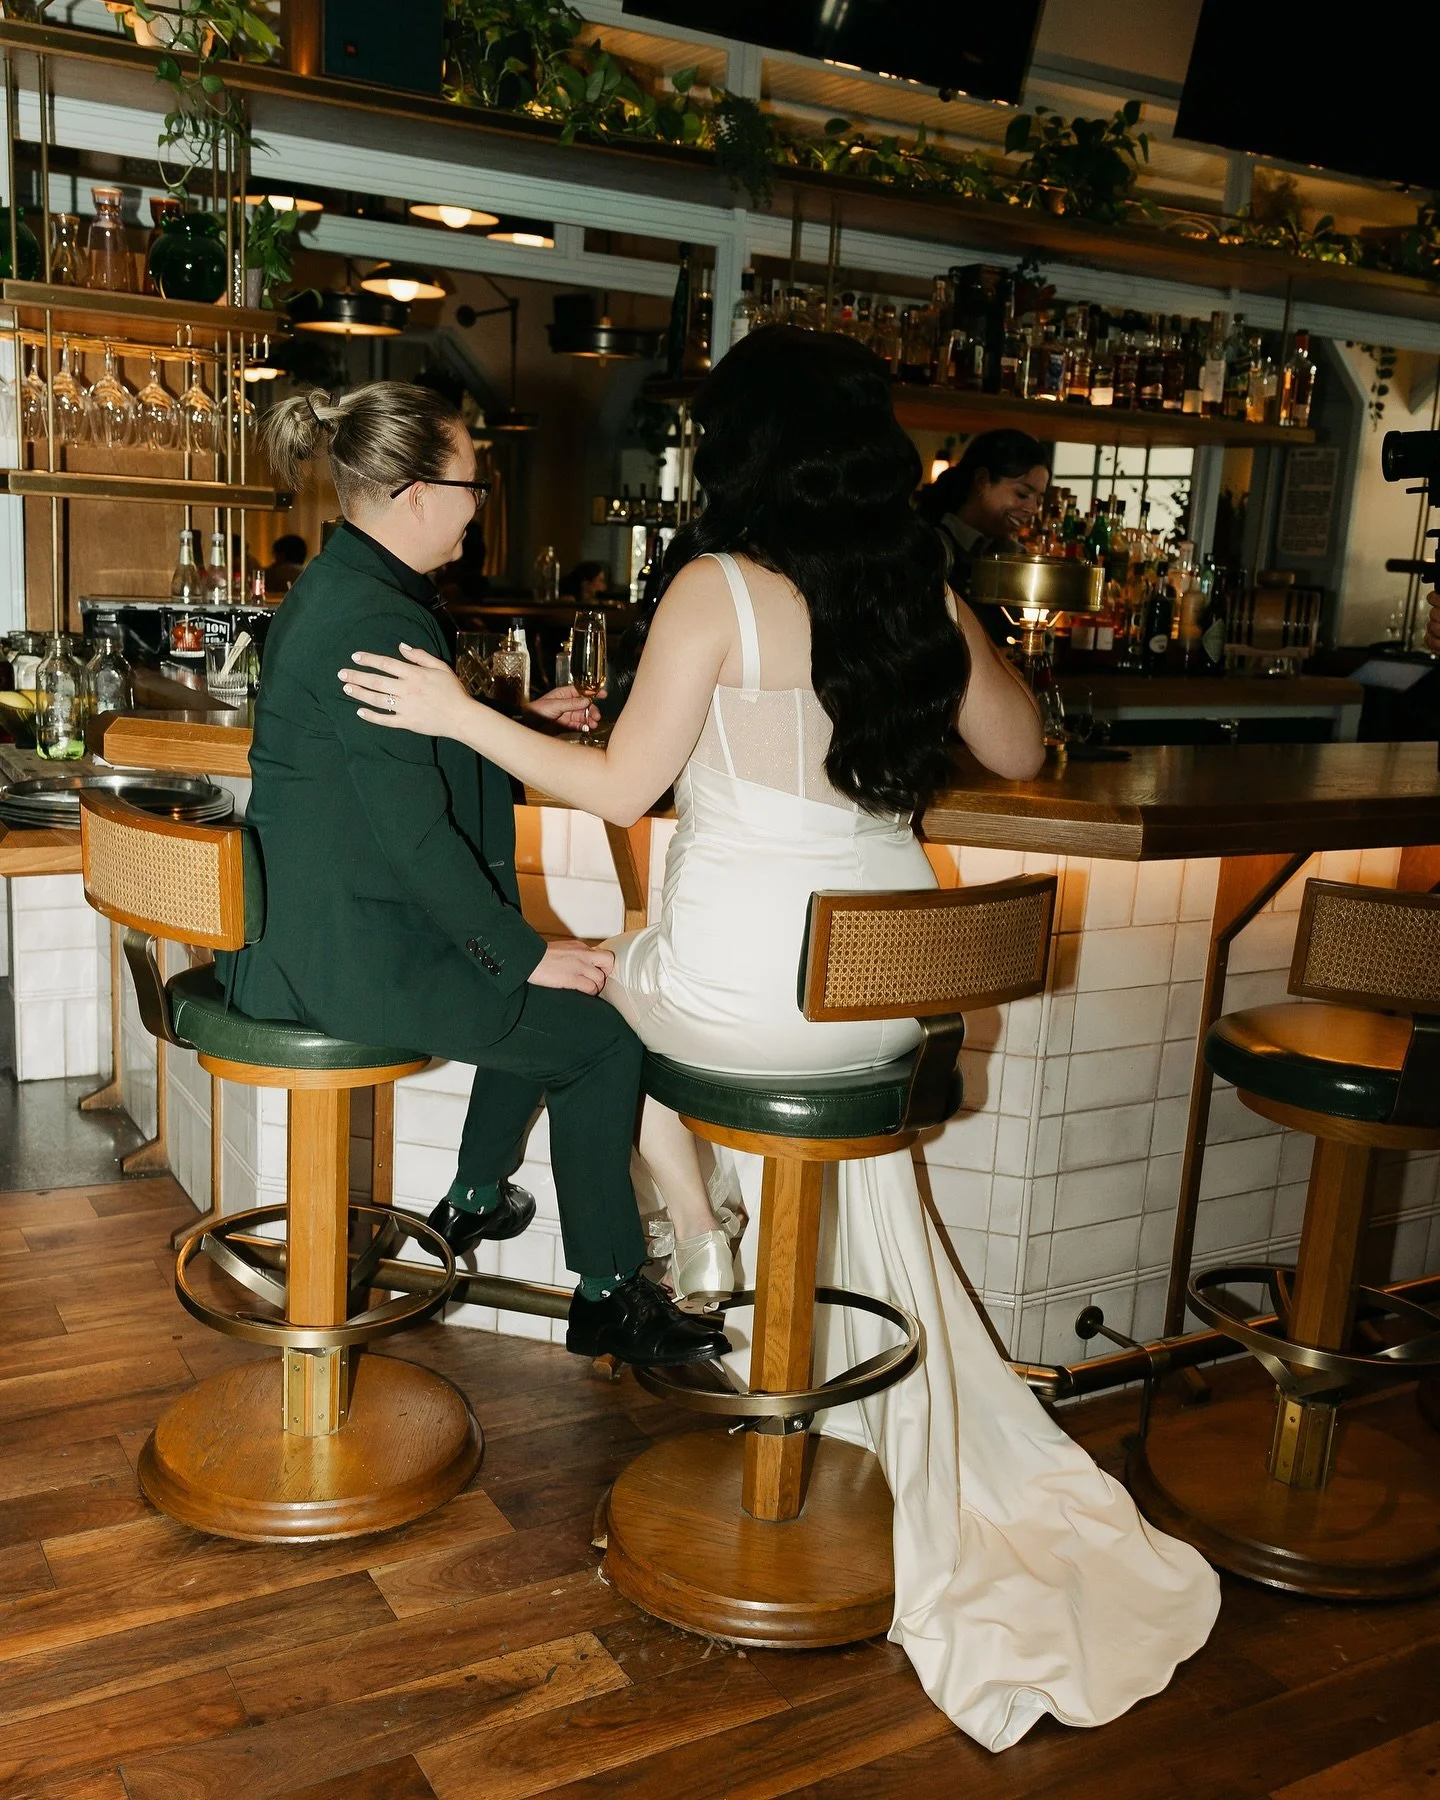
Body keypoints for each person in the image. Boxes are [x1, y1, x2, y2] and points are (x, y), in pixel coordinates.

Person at [339, 329, 1220, 1751]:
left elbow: (626, 787)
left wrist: (460, 712)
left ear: (741, 449)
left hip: (755, 992)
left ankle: (703, 1233)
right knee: (626, 977)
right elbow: (1021, 754)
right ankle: (718, 1237)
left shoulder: (718, 590)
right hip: (890, 1012)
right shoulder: (912, 581)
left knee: (583, 986)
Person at [219, 380, 727, 1372]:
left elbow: (401, 766)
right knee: (596, 1038)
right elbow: (413, 838)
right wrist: (522, 953)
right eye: (471, 483)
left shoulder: (355, 591)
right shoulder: (373, 619)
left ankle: (480, 1197)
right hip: (347, 951)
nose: (479, 500)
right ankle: (608, 1293)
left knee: (547, 992)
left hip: (326, 928)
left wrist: (524, 723)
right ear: (413, 493)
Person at [918, 430, 1050, 643]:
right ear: (982, 480)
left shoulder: (1013, 554)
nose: (1032, 508)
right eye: (1022, 494)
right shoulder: (932, 545)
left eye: (1039, 500)